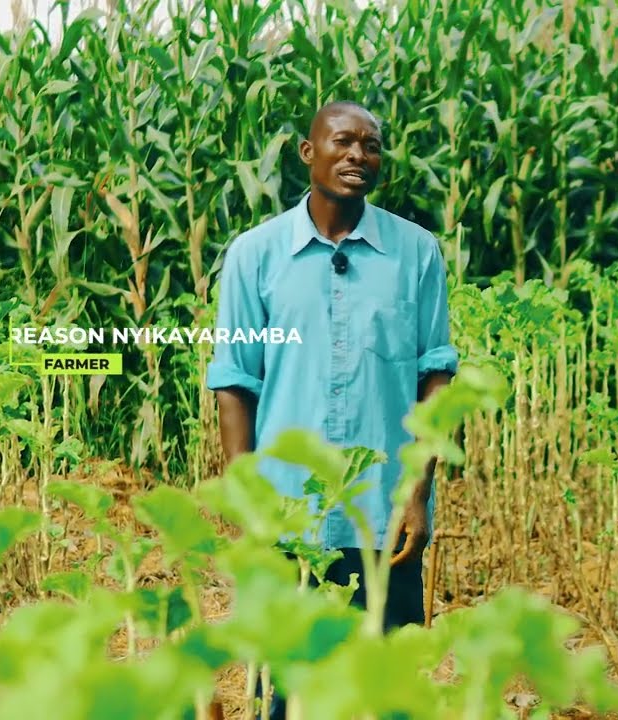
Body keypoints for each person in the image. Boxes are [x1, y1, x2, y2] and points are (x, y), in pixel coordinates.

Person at [205, 101, 458, 717]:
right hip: (288, 514)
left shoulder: (417, 253)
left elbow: (436, 375)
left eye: (371, 146)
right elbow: (236, 381)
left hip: (382, 511)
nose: (358, 156)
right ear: (306, 152)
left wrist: (417, 494)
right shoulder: (254, 255)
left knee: (389, 692)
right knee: (288, 693)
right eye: (343, 142)